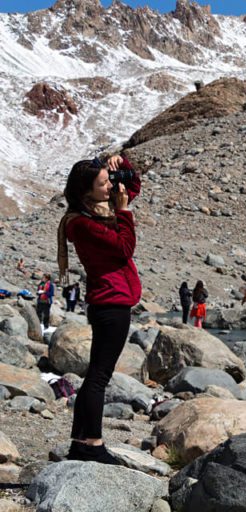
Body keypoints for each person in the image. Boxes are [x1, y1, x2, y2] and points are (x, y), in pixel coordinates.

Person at [57, 154, 141, 464]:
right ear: (86, 191)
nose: (111, 188)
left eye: (108, 181)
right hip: (111, 303)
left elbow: (132, 185)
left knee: (95, 374)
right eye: (103, 184)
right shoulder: (81, 223)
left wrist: (122, 165)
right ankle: (92, 442)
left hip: (111, 302)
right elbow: (124, 248)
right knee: (99, 377)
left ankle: (80, 440)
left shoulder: (98, 210)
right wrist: (125, 212)